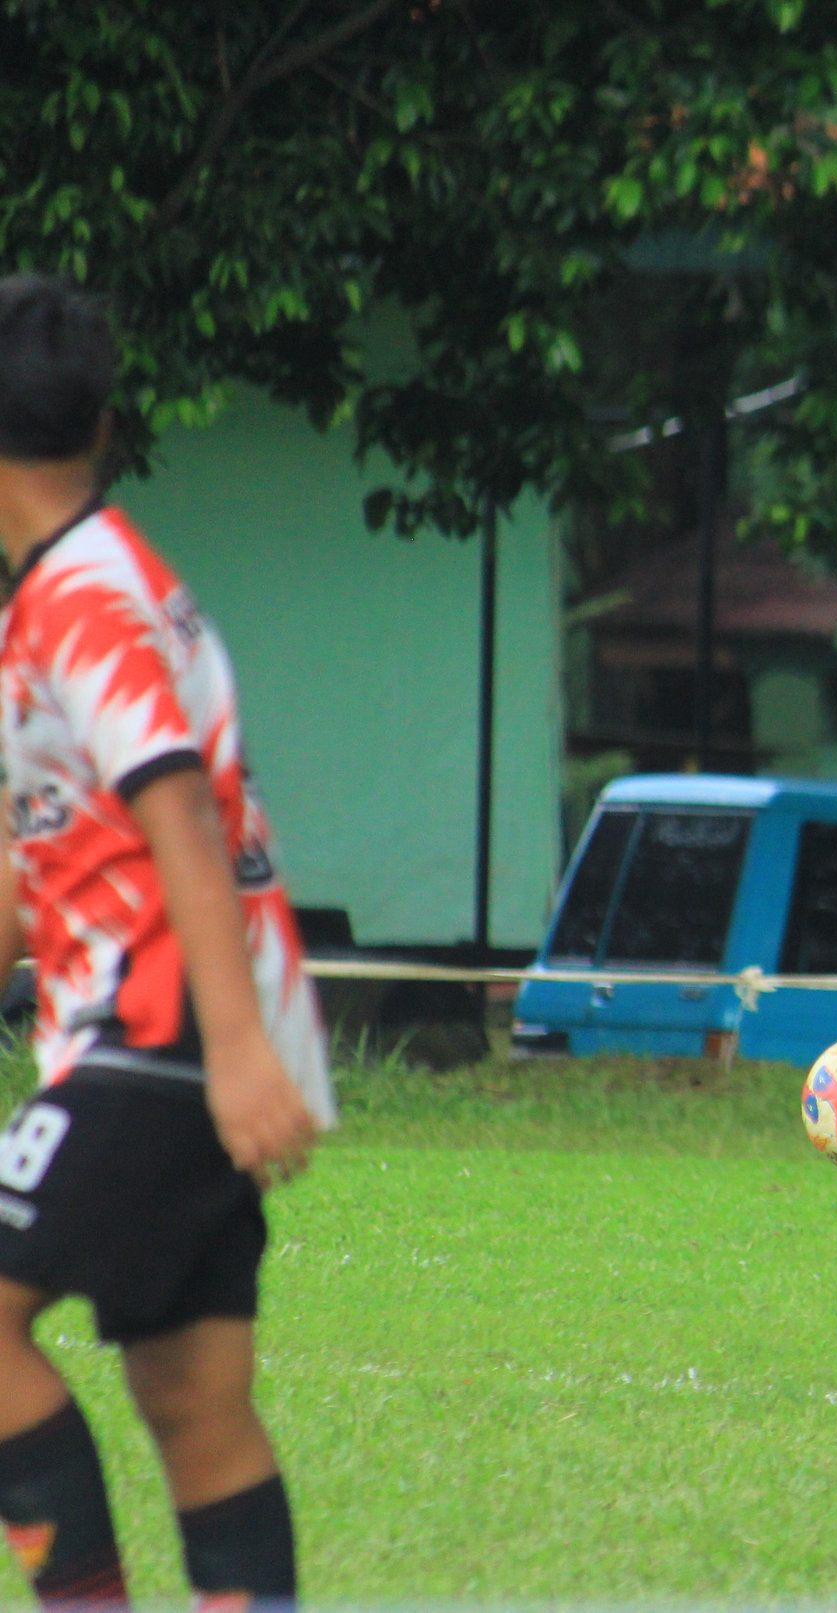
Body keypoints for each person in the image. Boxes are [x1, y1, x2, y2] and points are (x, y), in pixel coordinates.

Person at [0, 274, 328, 1607]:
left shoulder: (84, 598)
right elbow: (39, 863)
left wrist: (238, 1050)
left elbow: (178, 811)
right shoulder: (76, 587)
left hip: (161, 1030)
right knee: (193, 1398)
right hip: (174, 1028)